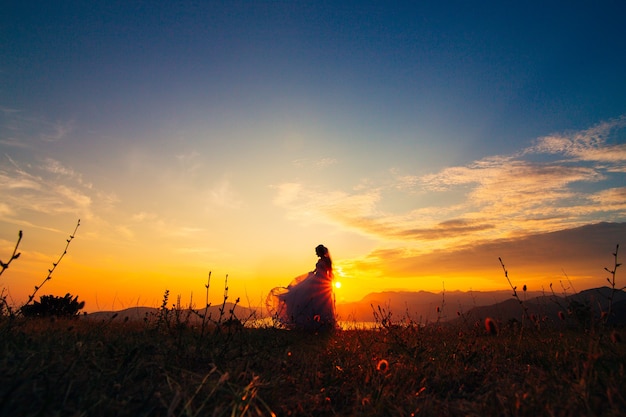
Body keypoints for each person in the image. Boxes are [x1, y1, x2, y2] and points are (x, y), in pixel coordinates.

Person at [266, 244, 337, 331]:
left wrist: (328, 283)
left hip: (322, 282)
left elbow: (329, 272)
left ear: (320, 251)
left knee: (321, 302)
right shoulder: (320, 260)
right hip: (316, 279)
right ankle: (309, 322)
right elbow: (317, 270)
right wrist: (312, 273)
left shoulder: (327, 261)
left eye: (317, 252)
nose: (316, 254)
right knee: (307, 297)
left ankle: (324, 324)